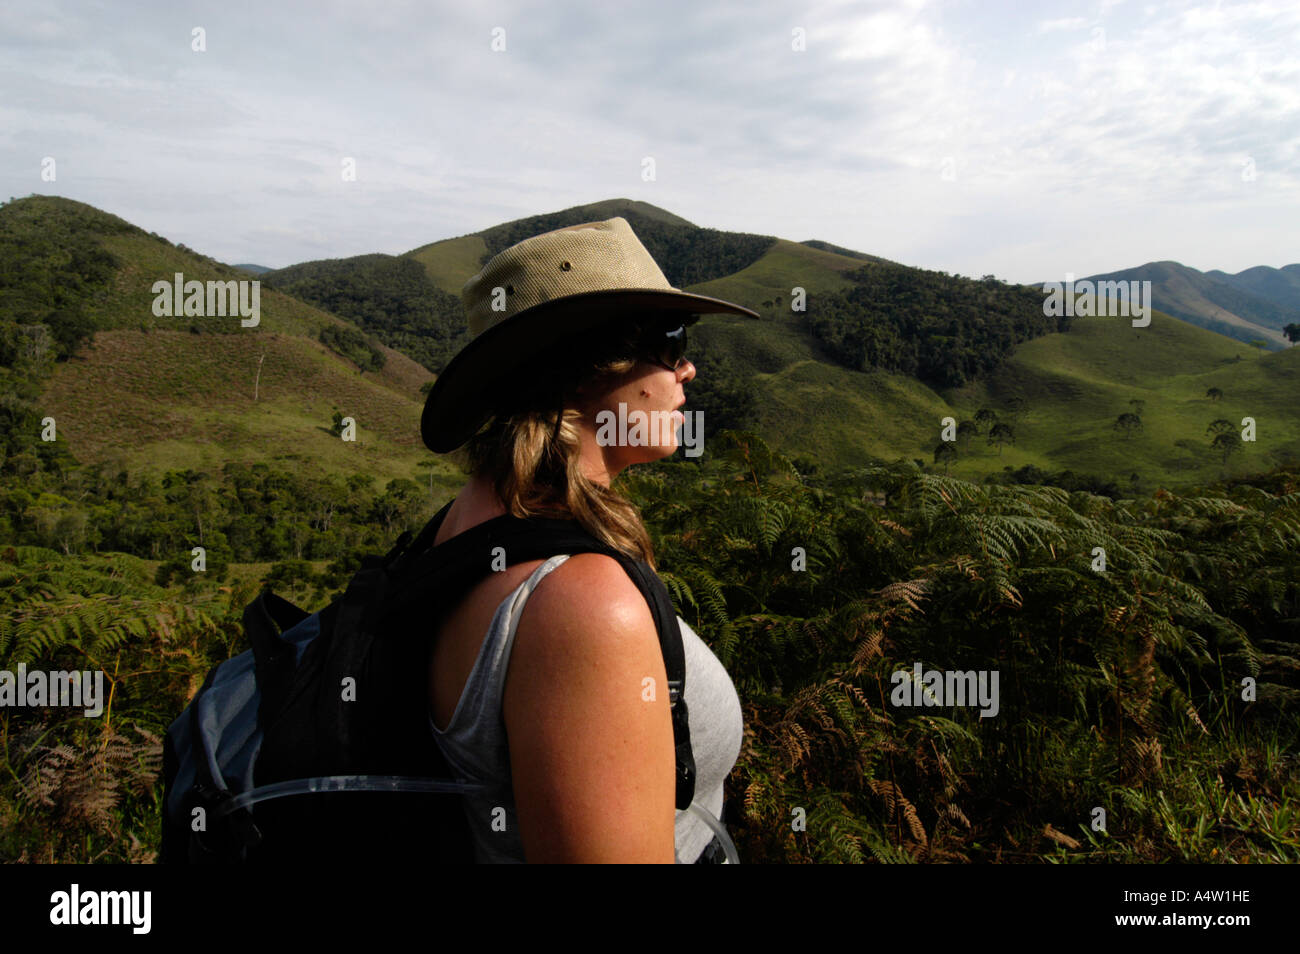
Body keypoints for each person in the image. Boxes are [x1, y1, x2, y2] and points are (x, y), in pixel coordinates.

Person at [419, 217, 754, 863]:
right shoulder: (579, 602)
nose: (688, 368)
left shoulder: (463, 523)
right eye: (671, 340)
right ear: (582, 367)